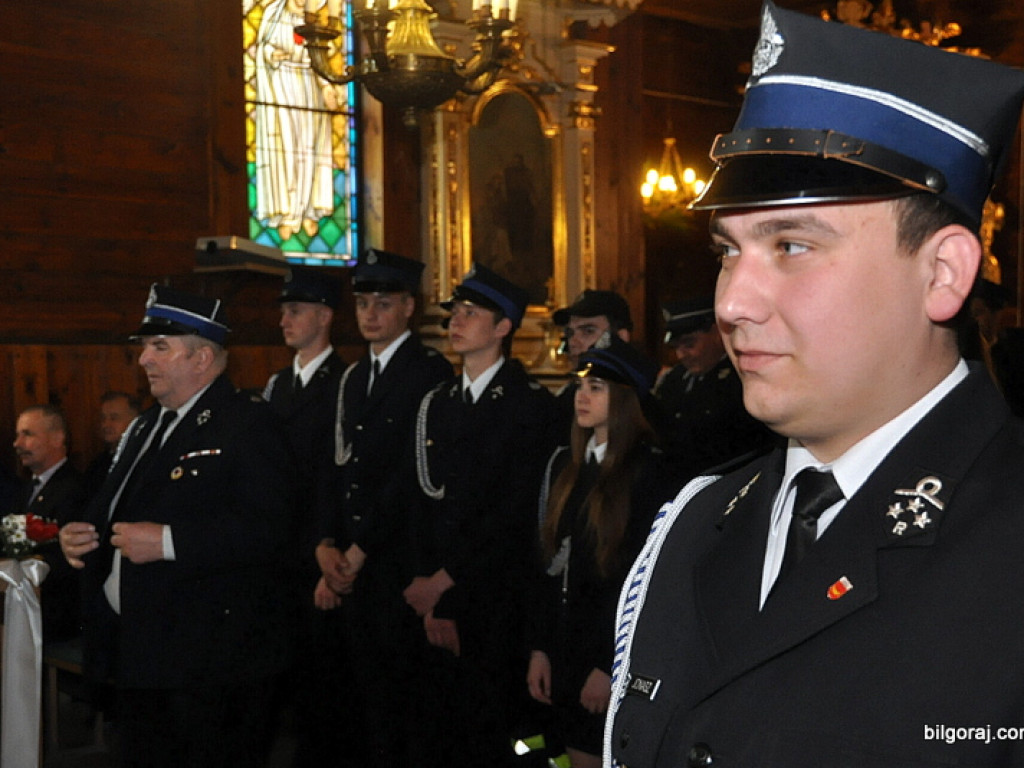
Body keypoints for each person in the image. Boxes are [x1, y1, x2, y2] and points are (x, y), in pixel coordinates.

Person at [607, 4, 1024, 767]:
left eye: (792, 244)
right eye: (729, 249)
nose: (731, 302)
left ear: (942, 273)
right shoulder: (696, 524)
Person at [59, 284, 296, 767]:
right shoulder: (148, 425)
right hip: (141, 655)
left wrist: (169, 541)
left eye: (159, 347)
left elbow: (270, 528)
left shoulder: (248, 423)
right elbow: (110, 509)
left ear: (202, 359)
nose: (144, 358)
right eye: (145, 346)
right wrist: (80, 536)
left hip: (209, 664)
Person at [404, 263, 557, 767]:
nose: (457, 321)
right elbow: (424, 502)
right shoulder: (439, 402)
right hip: (435, 598)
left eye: (471, 313)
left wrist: (446, 586)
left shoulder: (528, 406)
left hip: (495, 600)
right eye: (454, 313)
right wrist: (429, 592)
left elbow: (515, 517)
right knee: (444, 729)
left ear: (503, 328)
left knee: (503, 731)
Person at [313, 247, 452, 764]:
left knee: (403, 707)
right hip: (350, 563)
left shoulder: (428, 373)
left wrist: (360, 548)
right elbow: (335, 467)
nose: (370, 314)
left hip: (394, 559)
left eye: (384, 303)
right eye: (363, 302)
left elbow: (407, 480)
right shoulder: (352, 377)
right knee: (359, 703)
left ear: (409, 308)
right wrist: (324, 545)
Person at [527, 338, 677, 768]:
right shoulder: (567, 466)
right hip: (562, 650)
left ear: (625, 399)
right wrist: (539, 648)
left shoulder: (647, 471)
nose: (582, 397)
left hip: (607, 654)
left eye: (597, 388)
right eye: (580, 387)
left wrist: (606, 664)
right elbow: (547, 565)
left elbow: (638, 576)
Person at [263, 265, 346, 767]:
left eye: (295, 311)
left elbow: (335, 478)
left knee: (323, 688)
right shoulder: (278, 385)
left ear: (324, 316)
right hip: (279, 552)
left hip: (318, 551)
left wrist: (325, 546)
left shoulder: (343, 382)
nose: (285, 320)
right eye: (283, 312)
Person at [654, 296, 776, 475]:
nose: (681, 355)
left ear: (717, 333)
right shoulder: (674, 380)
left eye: (689, 344)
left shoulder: (741, 380)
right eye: (675, 347)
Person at [9, 404, 86, 641]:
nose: (17, 443)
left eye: (28, 434)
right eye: (17, 435)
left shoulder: (75, 489)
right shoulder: (26, 489)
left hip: (55, 609)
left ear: (57, 438)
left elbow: (69, 559)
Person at [552, 290, 634, 436]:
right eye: (570, 333)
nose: (573, 342)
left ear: (621, 337)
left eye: (588, 331)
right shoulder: (566, 399)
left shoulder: (639, 403)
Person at [84, 391, 142, 499]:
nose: (106, 424)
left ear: (135, 421)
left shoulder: (143, 461)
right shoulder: (97, 465)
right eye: (103, 418)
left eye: (114, 418)